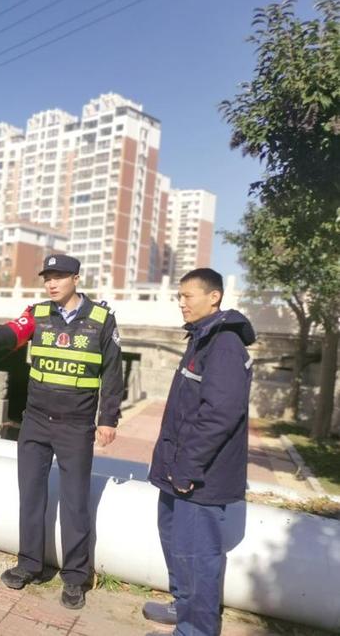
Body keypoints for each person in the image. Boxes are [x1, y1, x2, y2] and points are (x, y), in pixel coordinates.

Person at [0, 254, 123, 610]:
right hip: (34, 421)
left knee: (75, 503)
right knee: (30, 496)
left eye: (59, 276)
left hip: (76, 426)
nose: (52, 282)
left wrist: (108, 418)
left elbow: (112, 373)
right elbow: (11, 330)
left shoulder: (101, 320)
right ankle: (29, 564)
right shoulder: (38, 314)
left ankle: (75, 577)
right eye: (48, 276)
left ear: (76, 278)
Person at [143, 268, 255, 636]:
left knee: (198, 555)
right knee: (175, 543)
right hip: (177, 469)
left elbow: (221, 414)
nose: (181, 303)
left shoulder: (224, 345)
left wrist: (188, 468)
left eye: (188, 296)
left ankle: (196, 630)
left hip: (199, 475)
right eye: (180, 296)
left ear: (214, 297)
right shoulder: (202, 339)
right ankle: (182, 606)